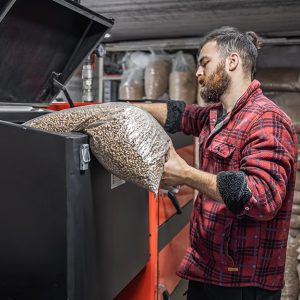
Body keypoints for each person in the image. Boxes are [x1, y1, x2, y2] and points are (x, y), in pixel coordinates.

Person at [134, 27, 298, 300]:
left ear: (232, 61)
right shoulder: (218, 115)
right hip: (209, 271)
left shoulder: (266, 119)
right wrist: (133, 109)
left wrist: (186, 174)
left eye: (204, 63)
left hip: (241, 283)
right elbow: (181, 114)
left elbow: (261, 197)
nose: (198, 72)